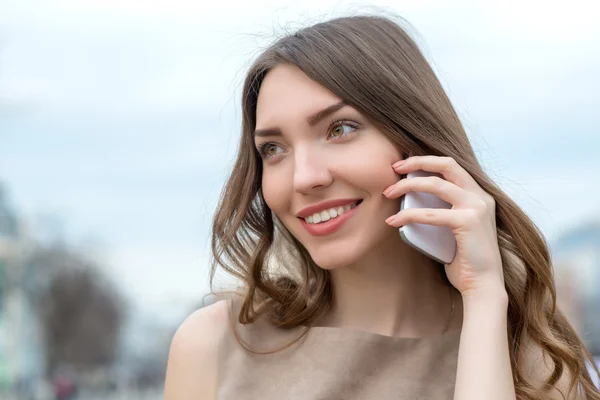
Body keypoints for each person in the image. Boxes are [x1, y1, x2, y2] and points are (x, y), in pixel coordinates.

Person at [164, 15, 600, 399]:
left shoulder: (538, 364)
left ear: (415, 136)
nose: (304, 177)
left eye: (341, 128)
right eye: (273, 149)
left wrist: (484, 296)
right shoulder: (213, 348)